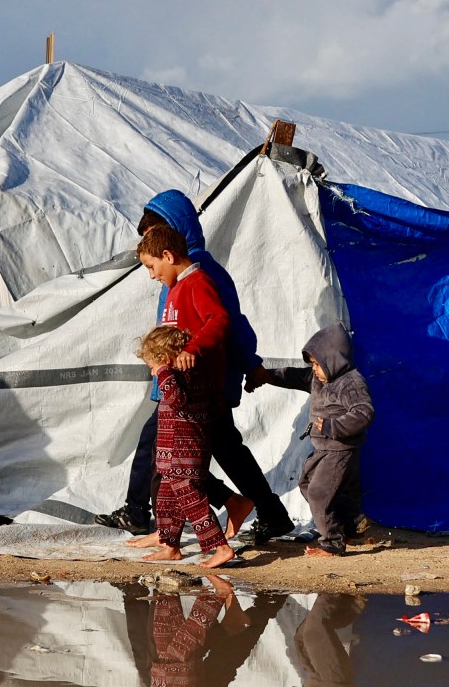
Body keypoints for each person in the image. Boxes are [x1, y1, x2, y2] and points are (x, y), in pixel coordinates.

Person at [99, 191, 294, 544]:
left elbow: (228, 322)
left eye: (156, 234)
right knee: (214, 451)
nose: (151, 250)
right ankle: (260, 510)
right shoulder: (176, 278)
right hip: (181, 379)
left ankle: (148, 518)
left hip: (199, 382)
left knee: (166, 451)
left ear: (173, 236)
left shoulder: (202, 274)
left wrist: (249, 364)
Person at [252, 323, 373, 556]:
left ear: (333, 359)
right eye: (313, 365)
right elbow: (293, 376)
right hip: (322, 447)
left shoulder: (350, 383)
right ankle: (353, 519)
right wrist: (267, 376)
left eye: (318, 364)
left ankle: (332, 543)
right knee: (307, 484)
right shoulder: (319, 379)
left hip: (340, 448)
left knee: (319, 493)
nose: (314, 369)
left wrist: (332, 425)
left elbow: (364, 412)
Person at [133, 323, 234, 568]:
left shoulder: (180, 373)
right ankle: (170, 546)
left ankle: (221, 546)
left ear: (163, 357)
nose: (152, 373)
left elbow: (177, 401)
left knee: (192, 500)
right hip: (175, 449)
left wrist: (163, 373)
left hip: (184, 449)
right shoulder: (189, 371)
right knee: (167, 498)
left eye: (152, 366)